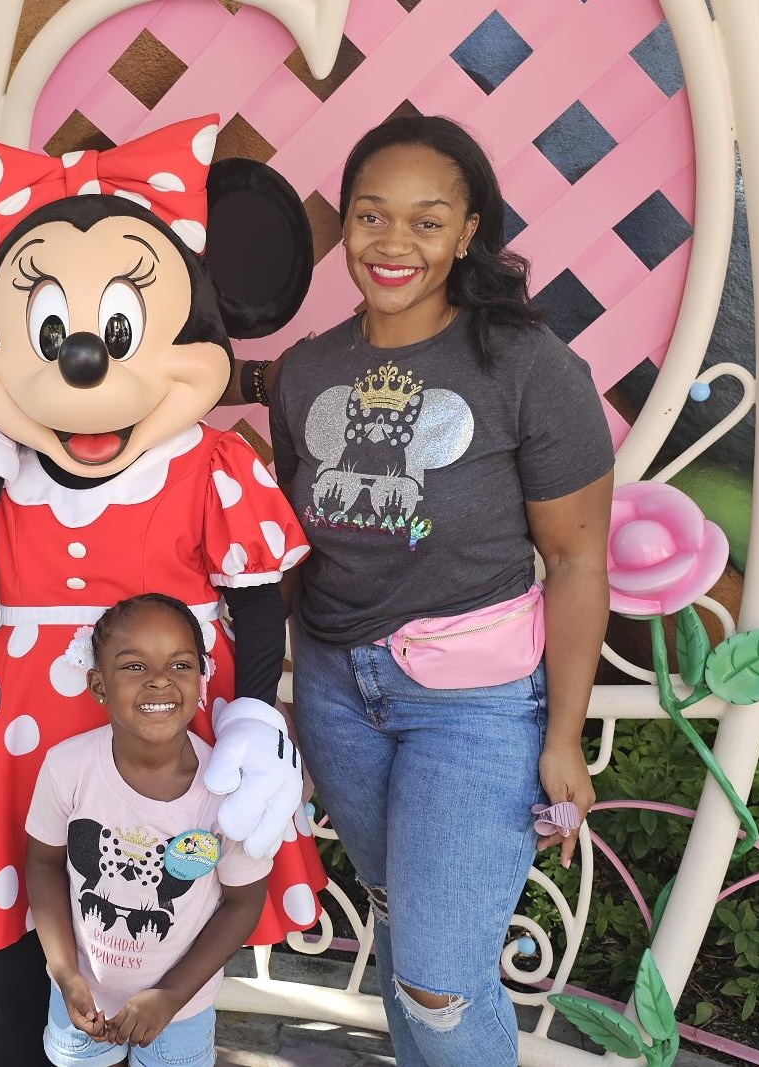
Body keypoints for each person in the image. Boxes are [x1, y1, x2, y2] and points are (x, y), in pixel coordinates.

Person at [0, 117, 327, 1065]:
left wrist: (252, 713)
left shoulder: (206, 461)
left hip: (171, 730)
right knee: (28, 976)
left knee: (172, 930)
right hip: (26, 738)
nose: (84, 360)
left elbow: (254, 597)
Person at [263, 115, 615, 1066]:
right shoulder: (304, 372)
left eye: (426, 221)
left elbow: (578, 561)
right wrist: (296, 687)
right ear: (344, 227)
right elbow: (298, 551)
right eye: (371, 216)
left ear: (468, 232)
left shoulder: (528, 367)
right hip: (340, 694)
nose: (392, 243)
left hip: (471, 704)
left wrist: (561, 734)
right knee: (400, 927)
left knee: (440, 979)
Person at [26, 594, 271, 1067]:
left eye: (180, 664)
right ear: (99, 684)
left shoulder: (226, 792)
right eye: (135, 667)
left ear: (201, 679)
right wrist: (64, 973)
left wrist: (171, 996)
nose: (160, 679)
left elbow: (244, 901)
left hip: (181, 1011)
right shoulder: (68, 768)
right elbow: (42, 863)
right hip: (81, 1002)